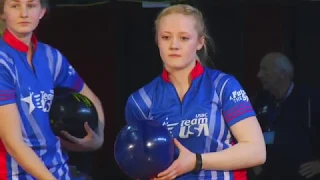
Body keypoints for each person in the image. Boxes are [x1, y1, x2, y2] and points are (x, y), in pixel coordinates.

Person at [124, 4, 266, 180]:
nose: (174, 45)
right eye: (166, 37)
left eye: (184, 38)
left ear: (200, 42)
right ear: (157, 41)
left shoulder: (223, 86)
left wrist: (196, 161)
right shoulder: (140, 101)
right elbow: (140, 164)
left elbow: (257, 151)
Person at [0, 0, 105, 179]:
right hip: (15, 174)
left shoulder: (51, 56)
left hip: (59, 170)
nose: (23, 13)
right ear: (3, 13)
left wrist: (98, 137)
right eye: (15, 5)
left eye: (31, 6)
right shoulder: (3, 62)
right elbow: (13, 143)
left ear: (42, 11)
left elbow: (89, 96)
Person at [251, 52, 320, 180]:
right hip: (268, 175)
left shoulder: (310, 100)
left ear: (282, 73)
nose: (259, 75)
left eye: (265, 70)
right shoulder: (259, 100)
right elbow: (248, 135)